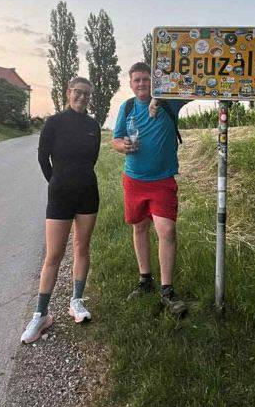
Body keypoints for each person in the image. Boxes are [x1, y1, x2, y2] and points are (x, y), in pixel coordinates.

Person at [21, 76, 101, 343]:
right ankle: (40, 315)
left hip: (88, 194)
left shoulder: (93, 126)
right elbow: (43, 157)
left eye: (87, 94)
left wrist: (76, 180)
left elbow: (92, 159)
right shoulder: (54, 122)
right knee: (53, 255)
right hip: (60, 196)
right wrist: (56, 182)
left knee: (82, 247)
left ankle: (76, 301)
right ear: (68, 93)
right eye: (78, 92)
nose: (82, 97)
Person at [112, 61, 189, 318]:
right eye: (137, 80)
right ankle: (145, 280)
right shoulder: (127, 107)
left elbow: (190, 83)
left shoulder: (169, 103)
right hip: (134, 180)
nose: (142, 84)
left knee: (166, 230)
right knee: (140, 228)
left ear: (153, 82)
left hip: (162, 180)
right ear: (131, 83)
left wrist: (159, 96)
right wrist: (123, 146)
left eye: (146, 79)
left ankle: (167, 290)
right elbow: (116, 139)